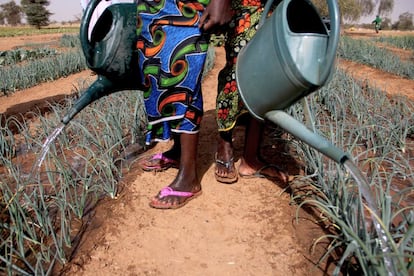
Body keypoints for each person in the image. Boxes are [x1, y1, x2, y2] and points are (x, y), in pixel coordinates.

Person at [136, 0, 233, 209]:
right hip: (152, 7)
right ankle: (178, 150)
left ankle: (189, 178)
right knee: (158, 69)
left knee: (184, 71)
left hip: (186, 5)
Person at [214, 0, 288, 185]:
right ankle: (224, 144)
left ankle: (251, 158)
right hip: (245, 7)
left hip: (274, 11)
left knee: (265, 77)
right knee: (236, 71)